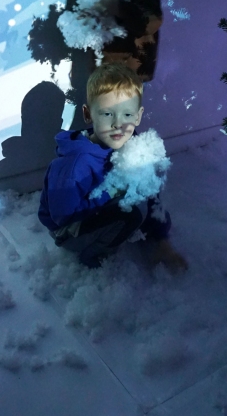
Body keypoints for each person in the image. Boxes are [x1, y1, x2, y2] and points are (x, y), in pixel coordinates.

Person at [38, 63, 187, 271]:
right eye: (107, 114)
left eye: (127, 114)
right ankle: (92, 255)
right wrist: (111, 192)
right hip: (69, 229)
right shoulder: (76, 163)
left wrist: (161, 239)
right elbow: (62, 215)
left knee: (140, 185)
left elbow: (150, 191)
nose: (118, 124)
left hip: (98, 207)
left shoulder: (130, 143)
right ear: (88, 114)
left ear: (138, 116)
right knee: (130, 213)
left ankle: (143, 233)